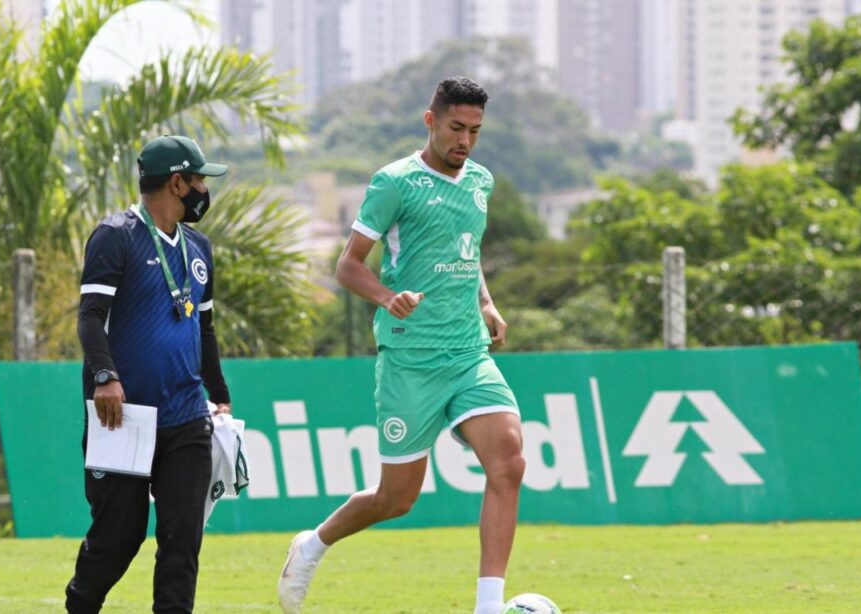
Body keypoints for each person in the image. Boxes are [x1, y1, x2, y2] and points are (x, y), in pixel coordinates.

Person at [277, 77, 525, 614]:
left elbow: (466, 250)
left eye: (475, 131)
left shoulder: (480, 181)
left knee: (508, 461)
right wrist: (388, 297)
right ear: (430, 120)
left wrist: (486, 302)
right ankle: (312, 543)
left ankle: (489, 605)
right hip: (410, 360)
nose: (465, 141)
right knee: (397, 499)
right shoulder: (395, 182)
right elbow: (346, 267)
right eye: (456, 128)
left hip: (466, 355)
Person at [65, 135, 233, 614]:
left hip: (185, 416)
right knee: (118, 538)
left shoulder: (198, 247)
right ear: (177, 183)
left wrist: (218, 393)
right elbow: (90, 317)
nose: (204, 188)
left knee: (182, 542)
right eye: (199, 179)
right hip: (123, 416)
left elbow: (204, 328)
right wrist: (104, 377)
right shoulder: (115, 236)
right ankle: (79, 605)